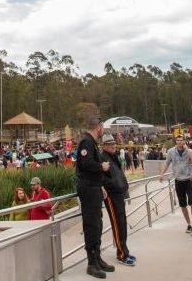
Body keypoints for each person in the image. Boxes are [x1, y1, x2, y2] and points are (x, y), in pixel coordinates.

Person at [76, 116, 115, 279]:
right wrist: (102, 166)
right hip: (88, 189)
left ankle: (97, 258)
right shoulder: (86, 142)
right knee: (92, 225)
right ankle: (91, 263)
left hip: (94, 188)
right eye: (103, 127)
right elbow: (86, 164)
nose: (103, 130)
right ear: (98, 127)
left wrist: (100, 186)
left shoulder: (91, 142)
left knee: (97, 223)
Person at [101, 135, 135, 266]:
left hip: (119, 194)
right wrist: (112, 186)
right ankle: (121, 254)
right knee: (117, 224)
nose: (113, 146)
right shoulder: (102, 157)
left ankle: (124, 250)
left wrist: (124, 187)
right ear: (104, 146)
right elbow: (101, 177)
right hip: (112, 195)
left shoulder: (114, 156)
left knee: (122, 223)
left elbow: (119, 174)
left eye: (114, 143)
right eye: (110, 144)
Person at [159, 136, 192, 236]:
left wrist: (188, 151)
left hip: (188, 180)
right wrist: (162, 174)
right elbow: (167, 163)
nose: (180, 142)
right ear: (175, 142)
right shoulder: (171, 151)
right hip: (178, 181)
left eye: (181, 140)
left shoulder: (190, 151)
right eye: (178, 140)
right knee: (182, 205)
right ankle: (189, 224)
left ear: (184, 141)